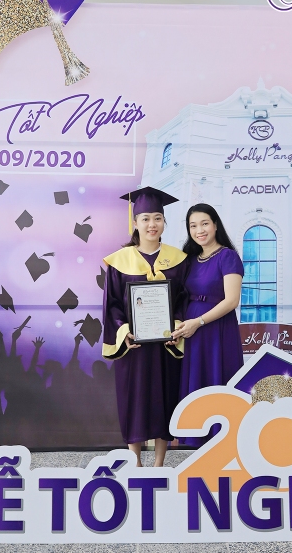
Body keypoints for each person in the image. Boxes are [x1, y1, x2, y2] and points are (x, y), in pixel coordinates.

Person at [102, 186, 189, 467]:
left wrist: (177, 326)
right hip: (134, 346)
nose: (152, 224)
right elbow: (112, 304)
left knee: (165, 396)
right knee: (134, 399)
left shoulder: (178, 260)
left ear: (164, 222)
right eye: (146, 219)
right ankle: (135, 461)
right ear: (135, 223)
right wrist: (123, 331)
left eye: (157, 218)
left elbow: (183, 299)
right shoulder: (120, 261)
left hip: (166, 344)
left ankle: (159, 463)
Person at [172, 203, 244, 446]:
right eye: (193, 226)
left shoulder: (228, 256)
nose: (199, 230)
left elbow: (232, 300)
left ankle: (220, 443)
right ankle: (195, 442)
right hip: (192, 331)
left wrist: (199, 321)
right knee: (195, 381)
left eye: (204, 224)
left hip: (216, 330)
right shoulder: (190, 259)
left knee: (216, 379)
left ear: (215, 225)